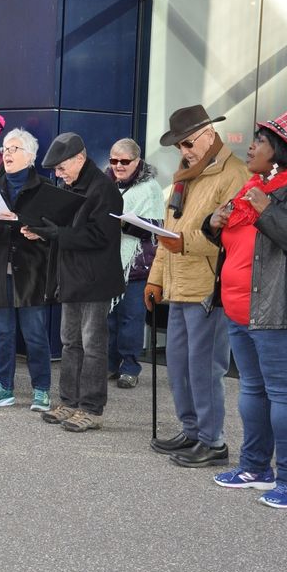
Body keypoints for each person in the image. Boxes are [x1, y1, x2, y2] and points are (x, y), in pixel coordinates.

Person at [206, 112, 287, 508]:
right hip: (244, 311)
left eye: (260, 141)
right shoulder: (255, 186)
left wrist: (267, 210)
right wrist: (211, 224)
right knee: (253, 392)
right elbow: (238, 242)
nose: (251, 146)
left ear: (280, 152)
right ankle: (255, 468)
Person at [144, 105, 248, 467]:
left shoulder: (234, 174)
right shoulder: (185, 177)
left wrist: (185, 242)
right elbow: (165, 235)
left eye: (187, 143)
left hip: (208, 286)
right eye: (179, 146)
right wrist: (156, 277)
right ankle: (191, 431)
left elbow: (233, 233)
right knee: (179, 365)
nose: (184, 151)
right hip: (177, 284)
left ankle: (212, 440)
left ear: (208, 134)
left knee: (205, 367)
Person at [35, 132, 123, 432]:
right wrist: (43, 231)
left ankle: (92, 409)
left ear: (79, 159)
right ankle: (69, 403)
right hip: (71, 277)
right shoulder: (69, 186)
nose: (58, 175)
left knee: (93, 345)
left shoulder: (104, 189)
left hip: (95, 280)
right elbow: (61, 227)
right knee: (70, 343)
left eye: (61, 168)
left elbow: (101, 236)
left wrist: (57, 234)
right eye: (56, 171)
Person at [0, 131, 58, 408]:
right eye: (5, 148)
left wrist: (25, 223)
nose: (7, 153)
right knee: (2, 333)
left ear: (30, 157)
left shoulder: (44, 189)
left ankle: (41, 388)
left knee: (34, 333)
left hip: (30, 271)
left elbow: (53, 231)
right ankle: (3, 386)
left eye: (14, 149)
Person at [105, 139, 164, 389]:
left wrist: (124, 223)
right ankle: (109, 364)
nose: (118, 165)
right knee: (108, 318)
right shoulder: (105, 184)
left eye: (124, 161)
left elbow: (157, 229)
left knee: (130, 319)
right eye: (113, 160)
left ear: (137, 161)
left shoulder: (150, 187)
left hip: (137, 266)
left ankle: (130, 367)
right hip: (108, 263)